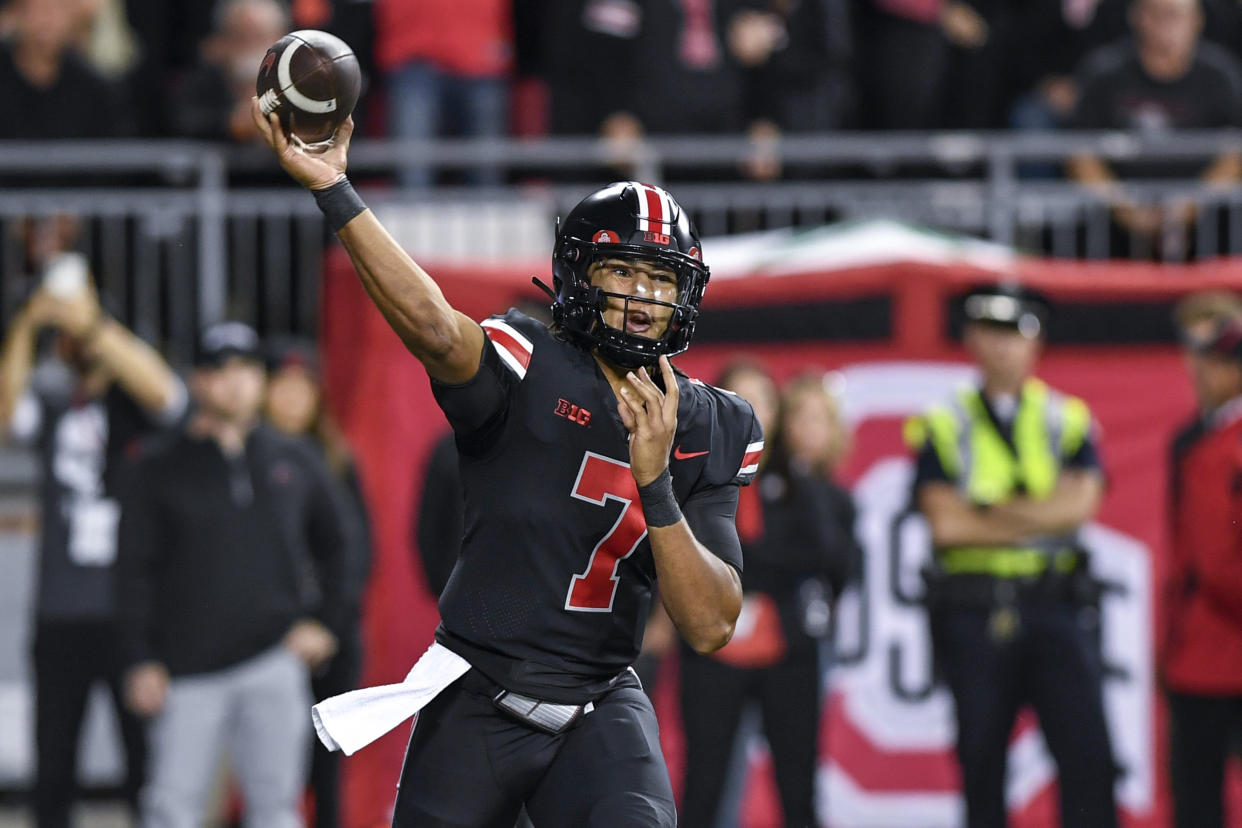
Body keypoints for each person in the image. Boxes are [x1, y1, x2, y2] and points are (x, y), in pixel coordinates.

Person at [253, 96, 761, 825]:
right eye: (624, 272)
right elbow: (432, 324)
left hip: (599, 706)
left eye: (662, 279)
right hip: (479, 695)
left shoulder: (714, 423)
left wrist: (656, 487)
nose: (646, 298)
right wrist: (335, 190)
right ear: (581, 275)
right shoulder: (530, 363)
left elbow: (711, 624)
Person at [115, 321, 359, 828]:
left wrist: (327, 624)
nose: (236, 381)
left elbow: (345, 545)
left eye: (248, 369)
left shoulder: (294, 457)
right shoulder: (158, 466)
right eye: (221, 370)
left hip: (272, 662)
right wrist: (139, 659)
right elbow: (132, 571)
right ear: (198, 380)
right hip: (184, 674)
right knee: (172, 812)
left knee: (276, 812)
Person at [906, 284, 1118, 828]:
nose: (1003, 348)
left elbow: (1080, 508)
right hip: (973, 611)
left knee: (1088, 756)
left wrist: (989, 510)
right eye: (991, 334)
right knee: (981, 762)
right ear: (972, 339)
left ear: (1037, 343)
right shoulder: (944, 419)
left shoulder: (1067, 417)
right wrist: (1038, 513)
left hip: (1055, 605)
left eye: (1015, 335)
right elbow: (946, 525)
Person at [0, 265, 185, 828]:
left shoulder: (138, 409)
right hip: (60, 614)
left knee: (145, 767)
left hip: (132, 615)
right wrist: (28, 324)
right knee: (53, 770)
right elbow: (5, 417)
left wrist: (94, 323)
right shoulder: (54, 401)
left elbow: (166, 393)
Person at [680, 364, 858, 828]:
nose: (752, 411)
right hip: (710, 649)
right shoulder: (691, 473)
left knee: (797, 785)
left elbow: (832, 560)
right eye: (739, 398)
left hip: (789, 649)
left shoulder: (804, 484)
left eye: (763, 400)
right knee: (705, 783)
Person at [264, 337, 373, 828]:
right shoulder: (245, 458)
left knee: (324, 772)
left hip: (328, 639)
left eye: (302, 387)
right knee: (266, 774)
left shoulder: (335, 461)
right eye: (282, 386)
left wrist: (329, 625)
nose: (292, 398)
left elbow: (357, 553)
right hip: (263, 637)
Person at [1067, 0, 1242, 258]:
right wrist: (1125, 208)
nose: (1165, 25)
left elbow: (1236, 152)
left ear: (1197, 20)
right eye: (1157, 15)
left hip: (1206, 221)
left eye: (1175, 15)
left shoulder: (1220, 76)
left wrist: (1192, 204)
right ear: (1137, 17)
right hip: (1115, 219)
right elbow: (1078, 153)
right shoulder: (1105, 72)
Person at [1163, 309, 1242, 828]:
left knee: (1198, 799)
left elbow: (1215, 563)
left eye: (1211, 362)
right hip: (1208, 649)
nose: (1199, 372)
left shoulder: (1218, 448)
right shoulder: (1205, 438)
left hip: (1214, 652)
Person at [168, 0, 289, 143]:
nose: (249, 48)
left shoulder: (300, 82)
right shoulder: (201, 84)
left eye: (259, 37)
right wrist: (230, 124)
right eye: (239, 37)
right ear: (220, 43)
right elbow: (180, 123)